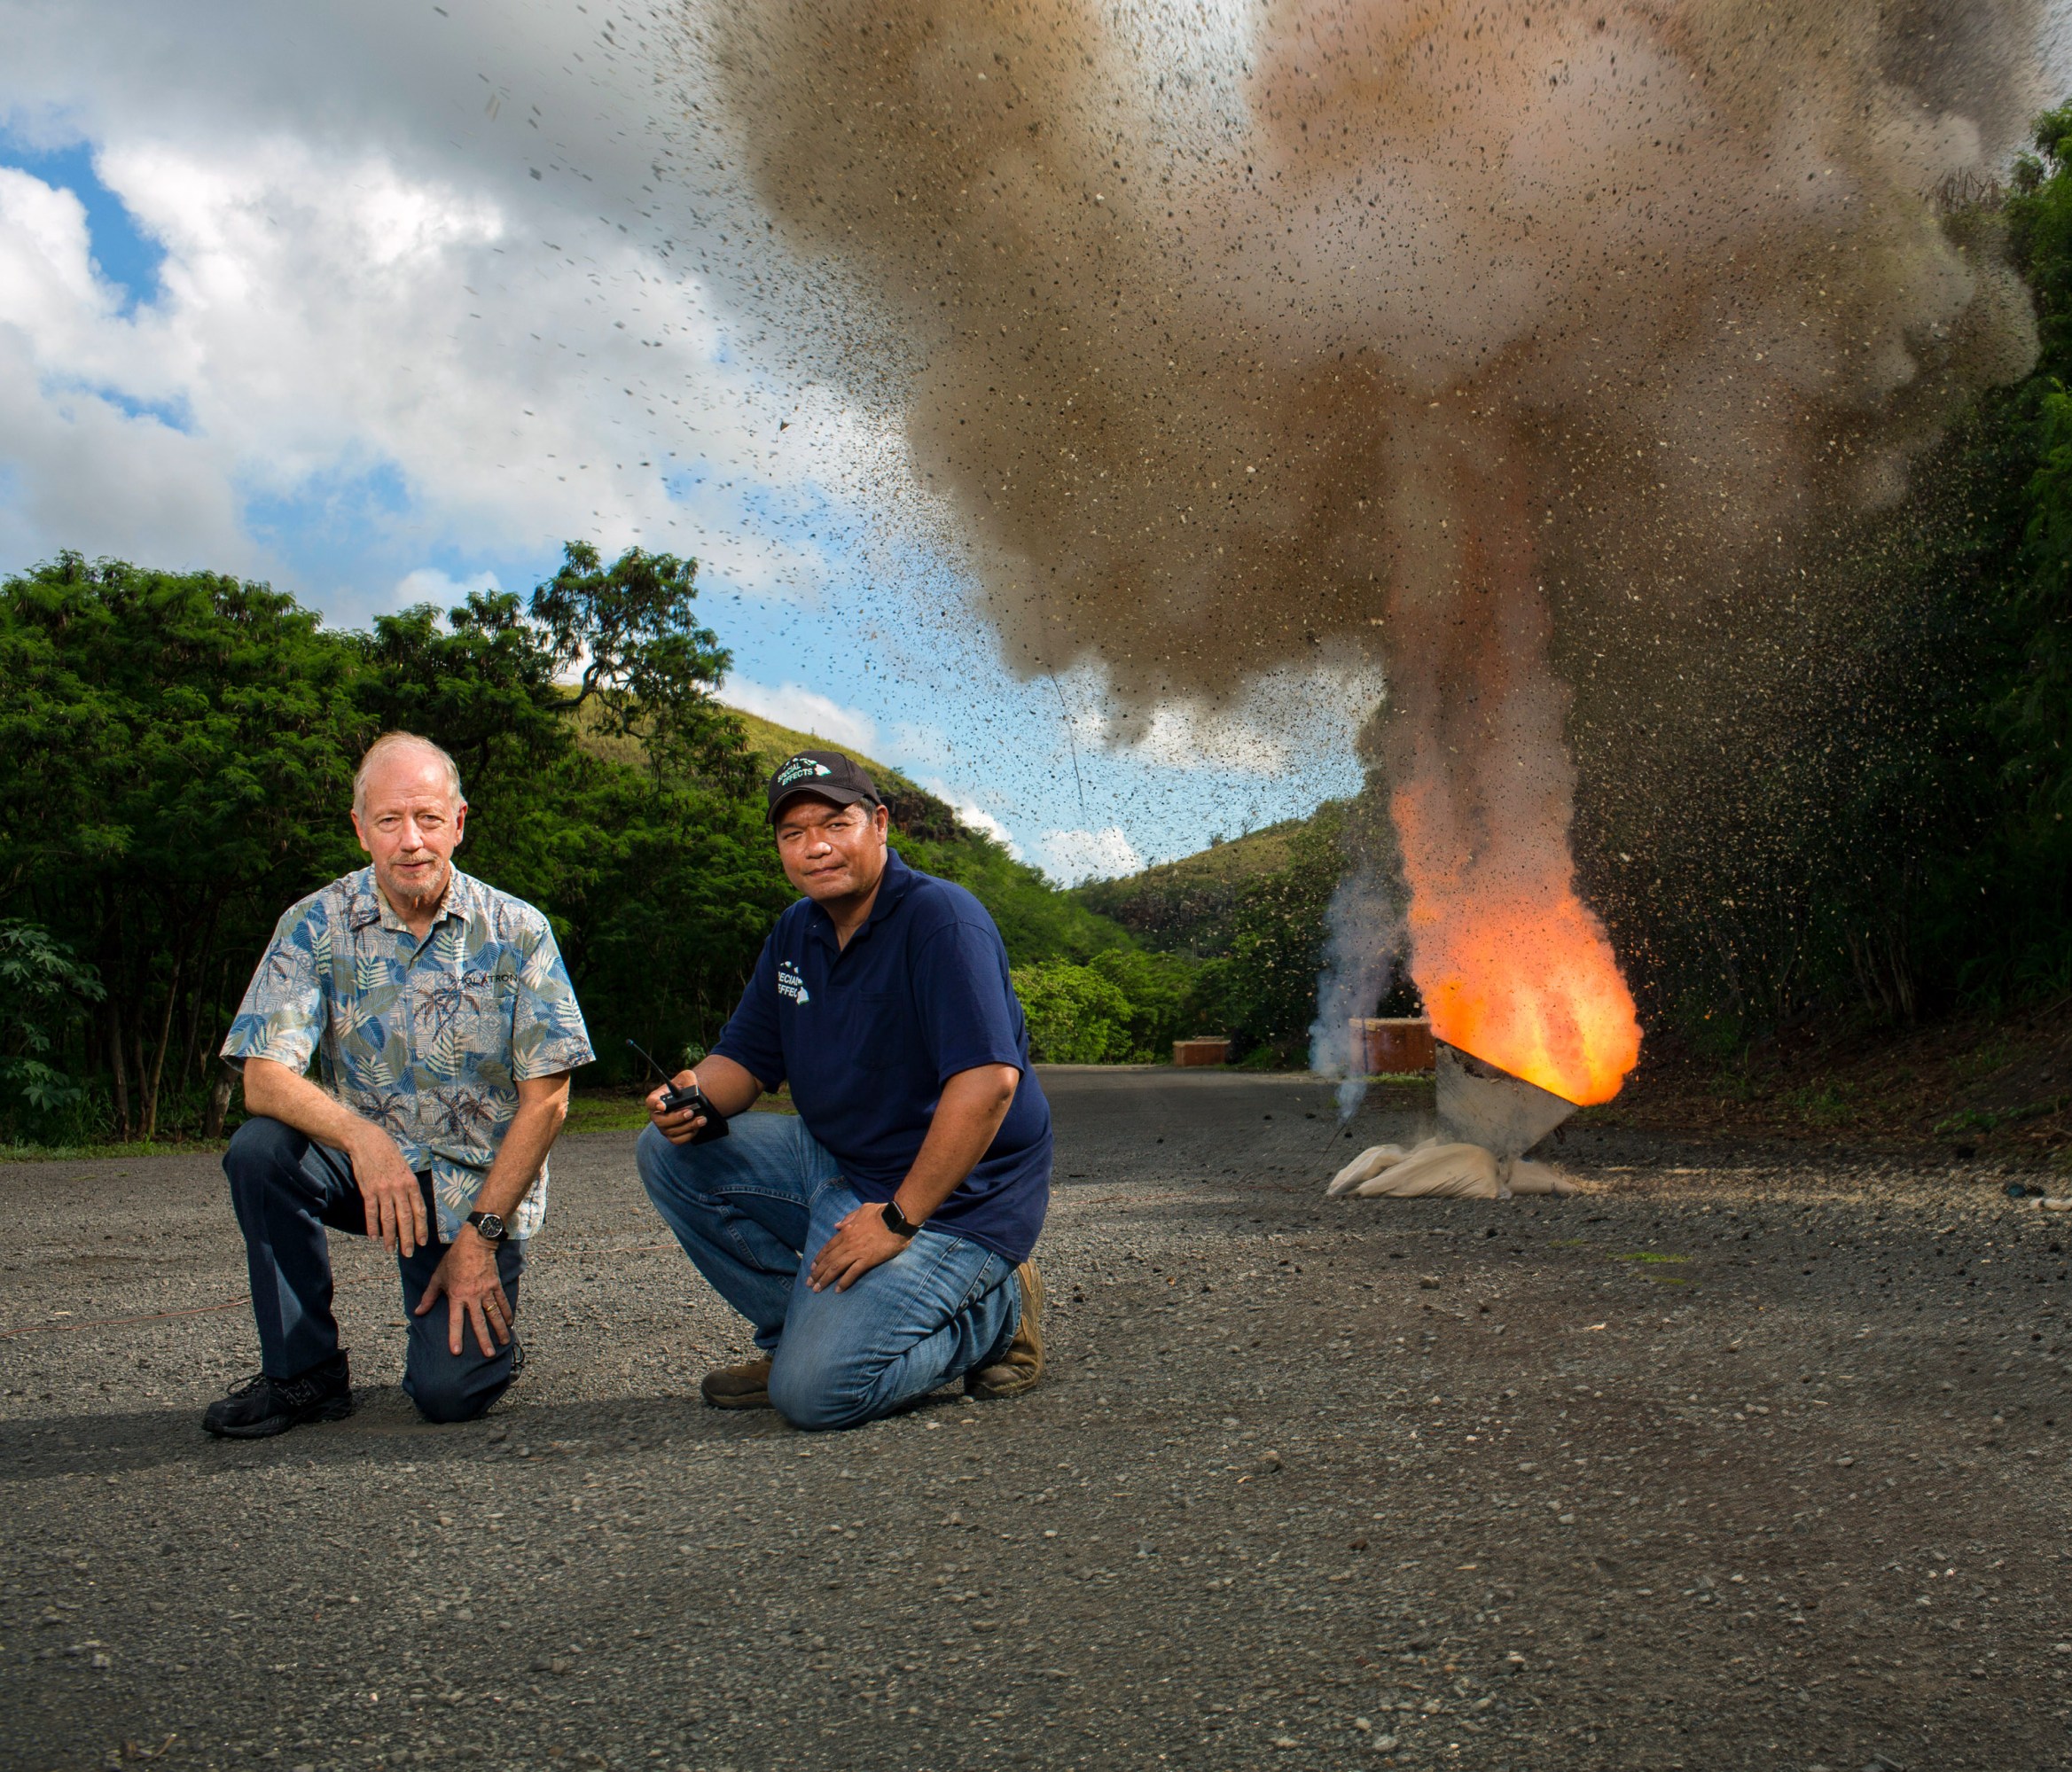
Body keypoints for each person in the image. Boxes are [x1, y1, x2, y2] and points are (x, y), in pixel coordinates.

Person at [637, 749, 1050, 1431]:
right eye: (792, 834)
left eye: (834, 823)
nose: (815, 848)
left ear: (879, 824)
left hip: (952, 1197)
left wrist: (896, 1218)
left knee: (815, 1395)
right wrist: (693, 1094)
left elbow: (988, 1085)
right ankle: (789, 1334)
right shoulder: (795, 930)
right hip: (842, 1163)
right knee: (668, 1154)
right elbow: (745, 1056)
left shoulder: (942, 919)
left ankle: (995, 1312)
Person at [204, 731, 594, 1438]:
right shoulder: (312, 924)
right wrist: (363, 1138)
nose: (410, 840)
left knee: (447, 1396)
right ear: (360, 829)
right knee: (260, 1151)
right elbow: (263, 1077)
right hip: (370, 1172)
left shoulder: (518, 931)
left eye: (427, 818)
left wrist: (480, 1237)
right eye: (389, 820)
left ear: (459, 822)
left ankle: (489, 1345)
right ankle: (304, 1374)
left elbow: (548, 1100)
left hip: (475, 1189)